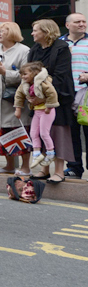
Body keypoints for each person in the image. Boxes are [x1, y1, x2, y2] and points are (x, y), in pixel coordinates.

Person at [28, 18, 75, 184]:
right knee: (40, 134)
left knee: (57, 134)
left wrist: (42, 93)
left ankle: (59, 172)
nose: (32, 33)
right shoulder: (34, 49)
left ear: (46, 32)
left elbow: (61, 76)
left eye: (35, 30)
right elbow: (29, 73)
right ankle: (44, 170)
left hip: (57, 99)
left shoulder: (61, 48)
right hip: (38, 102)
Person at [0, 21, 31, 176]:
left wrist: (6, 73)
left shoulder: (24, 51)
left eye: (2, 30)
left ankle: (25, 167)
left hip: (15, 101)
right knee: (3, 132)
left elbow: (27, 74)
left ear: (11, 32)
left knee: (19, 132)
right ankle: (9, 165)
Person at [13, 61, 59, 169]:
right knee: (33, 133)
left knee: (44, 133)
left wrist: (49, 106)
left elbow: (52, 93)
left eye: (25, 74)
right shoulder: (25, 85)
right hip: (37, 111)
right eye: (22, 74)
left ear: (34, 73)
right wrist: (18, 109)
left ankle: (50, 152)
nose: (23, 77)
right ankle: (36, 153)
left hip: (47, 111)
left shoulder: (43, 83)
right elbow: (19, 95)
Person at [61, 12, 88, 178]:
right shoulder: (60, 43)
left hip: (86, 96)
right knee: (71, 134)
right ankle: (74, 168)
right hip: (67, 95)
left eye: (84, 21)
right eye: (78, 21)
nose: (82, 24)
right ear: (67, 25)